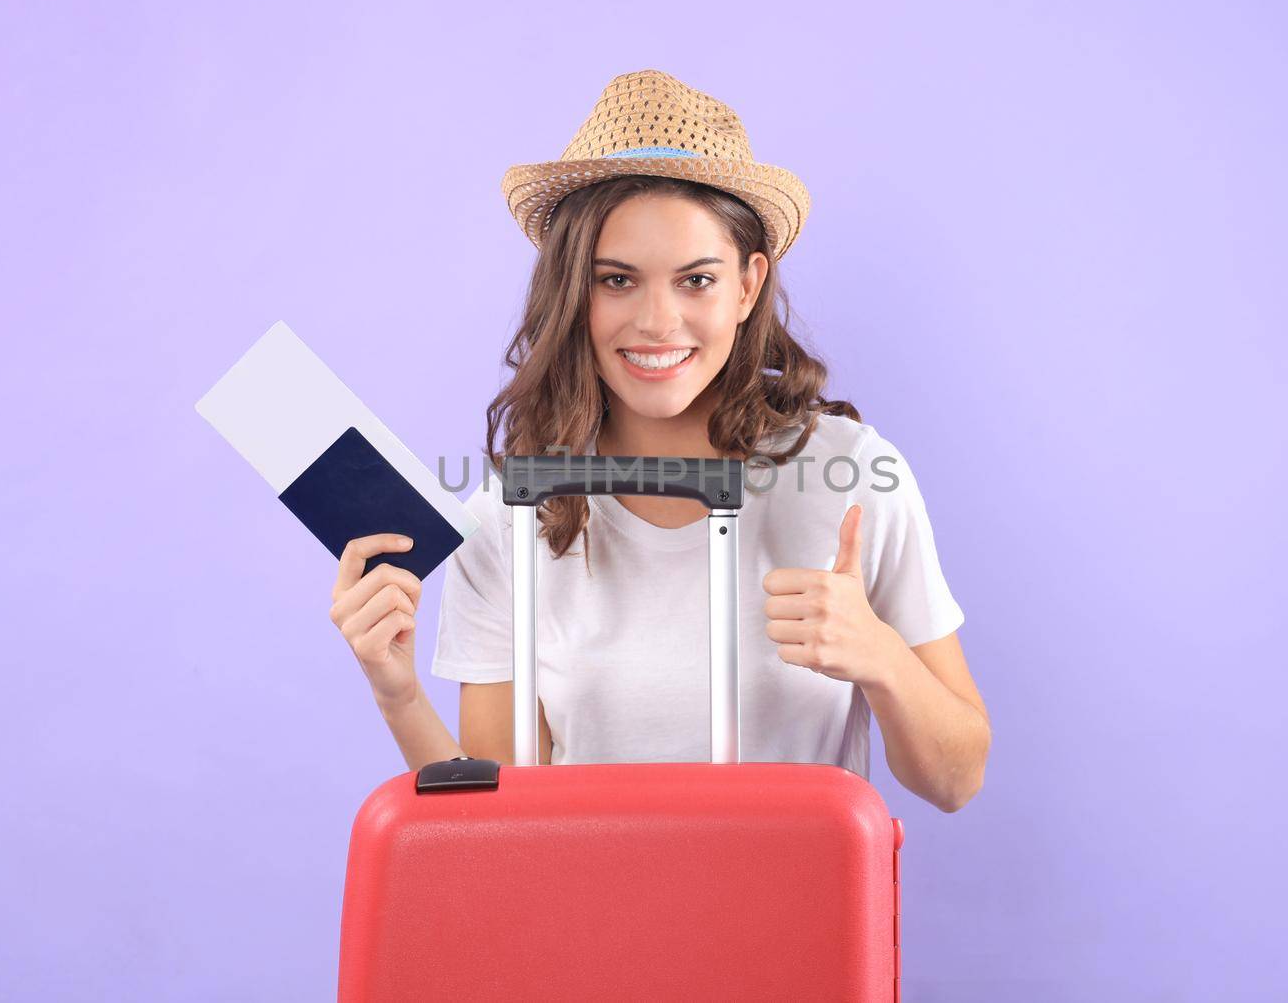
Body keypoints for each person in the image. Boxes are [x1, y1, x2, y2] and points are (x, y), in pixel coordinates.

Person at [327, 70, 990, 812]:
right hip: (588, 918)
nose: (656, 321)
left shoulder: (850, 475)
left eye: (695, 280)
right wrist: (398, 693)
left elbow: (957, 778)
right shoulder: (512, 511)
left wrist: (883, 658)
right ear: (573, 290)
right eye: (617, 280)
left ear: (747, 285)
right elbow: (495, 820)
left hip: (796, 916)